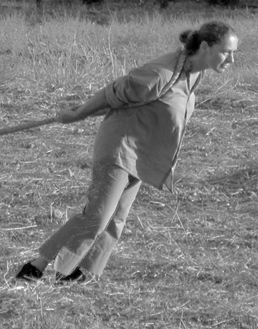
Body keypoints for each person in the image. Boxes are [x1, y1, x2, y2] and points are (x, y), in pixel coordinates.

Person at [14, 21, 238, 283]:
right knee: (97, 218)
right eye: (226, 51)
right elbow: (113, 94)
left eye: (234, 52)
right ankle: (35, 266)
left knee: (115, 220)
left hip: (140, 154)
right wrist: (77, 115)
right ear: (205, 47)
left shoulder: (194, 73)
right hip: (119, 148)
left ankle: (78, 274)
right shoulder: (161, 73)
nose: (231, 59)